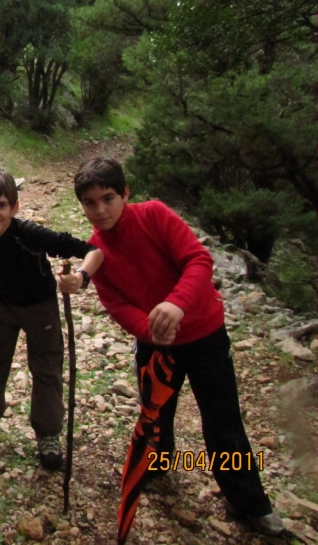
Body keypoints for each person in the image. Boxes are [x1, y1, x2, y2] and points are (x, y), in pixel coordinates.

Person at [73, 157, 284, 542]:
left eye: (108, 198)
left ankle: (251, 502)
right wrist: (148, 330)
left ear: (125, 194)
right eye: (90, 202)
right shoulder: (95, 249)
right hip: (154, 347)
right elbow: (115, 302)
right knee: (154, 417)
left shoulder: (154, 215)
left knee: (223, 423)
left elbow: (198, 261)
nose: (100, 210)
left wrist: (176, 304)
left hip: (204, 333)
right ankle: (158, 463)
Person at [0, 165, 103, 470]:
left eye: (2, 205)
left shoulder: (31, 234)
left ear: (15, 207)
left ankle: (48, 433)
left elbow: (93, 250)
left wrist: (82, 278)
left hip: (39, 305)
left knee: (46, 368)